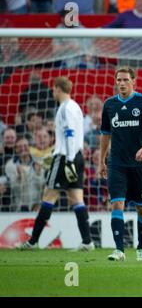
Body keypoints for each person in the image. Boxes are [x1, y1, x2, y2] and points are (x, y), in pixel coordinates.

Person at [17, 77, 94, 251]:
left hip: (66, 157)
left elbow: (69, 133)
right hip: (78, 156)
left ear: (58, 89)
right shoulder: (76, 106)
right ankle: (88, 241)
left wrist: (67, 159)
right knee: (76, 199)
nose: (52, 92)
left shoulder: (65, 108)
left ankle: (33, 241)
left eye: (53, 89)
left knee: (48, 196)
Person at [99, 67, 142, 261]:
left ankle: (141, 247)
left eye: (125, 80)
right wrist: (102, 160)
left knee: (141, 207)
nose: (122, 83)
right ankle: (119, 250)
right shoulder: (109, 105)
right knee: (117, 203)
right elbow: (105, 134)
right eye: (119, 80)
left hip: (139, 164)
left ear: (134, 81)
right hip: (116, 163)